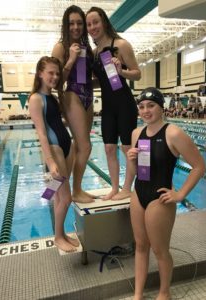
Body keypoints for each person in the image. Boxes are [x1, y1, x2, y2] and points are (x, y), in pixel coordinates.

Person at [127, 87, 206, 300]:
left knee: (160, 250)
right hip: (138, 193)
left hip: (159, 198)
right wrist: (130, 159)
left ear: (161, 107)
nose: (146, 110)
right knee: (141, 246)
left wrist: (180, 195)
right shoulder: (136, 133)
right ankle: (137, 294)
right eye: (142, 106)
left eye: (151, 105)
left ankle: (164, 292)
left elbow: (199, 166)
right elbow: (135, 172)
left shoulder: (173, 133)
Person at [86, 7, 141, 200]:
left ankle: (128, 188)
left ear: (104, 22)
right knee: (109, 148)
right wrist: (78, 83)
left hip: (125, 104)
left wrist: (121, 72)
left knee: (127, 148)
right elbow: (99, 81)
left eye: (96, 22)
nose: (93, 27)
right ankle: (115, 188)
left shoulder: (121, 45)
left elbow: (137, 73)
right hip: (108, 106)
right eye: (89, 24)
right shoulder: (93, 54)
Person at [29, 56, 79, 252]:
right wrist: (50, 161)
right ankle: (58, 237)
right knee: (66, 198)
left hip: (67, 147)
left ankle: (62, 233)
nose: (55, 77)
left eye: (57, 73)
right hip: (55, 150)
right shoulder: (35, 98)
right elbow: (41, 132)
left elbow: (57, 123)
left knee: (58, 196)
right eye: (51, 73)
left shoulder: (53, 97)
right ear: (40, 73)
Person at [52, 5, 94, 203]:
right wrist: (71, 59)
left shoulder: (87, 46)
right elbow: (57, 81)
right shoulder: (61, 46)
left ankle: (52, 190)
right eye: (71, 23)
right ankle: (76, 190)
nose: (76, 27)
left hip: (88, 97)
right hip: (73, 95)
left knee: (76, 149)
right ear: (65, 25)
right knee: (85, 147)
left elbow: (90, 78)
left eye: (79, 23)